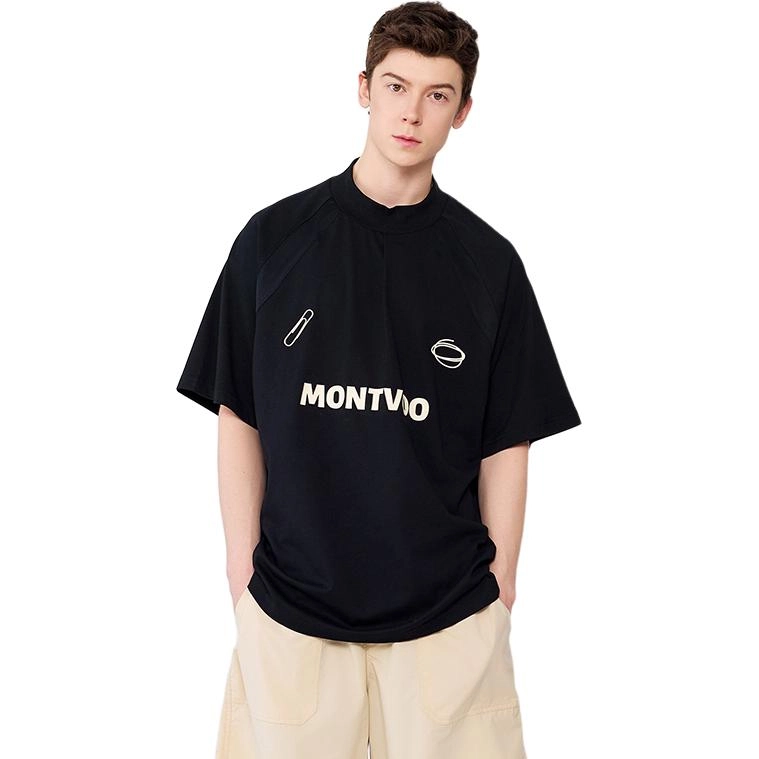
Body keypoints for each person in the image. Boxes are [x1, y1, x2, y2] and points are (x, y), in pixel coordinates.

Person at [176, 2, 581, 757]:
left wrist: (500, 590)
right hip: (290, 614)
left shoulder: (489, 264)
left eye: (437, 94)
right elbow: (238, 414)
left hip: (449, 620)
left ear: (463, 111)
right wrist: (242, 574)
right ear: (363, 88)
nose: (411, 113)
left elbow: (508, 440)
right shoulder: (273, 241)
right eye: (396, 86)